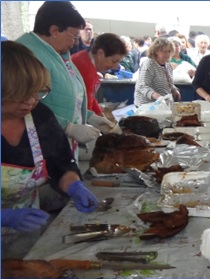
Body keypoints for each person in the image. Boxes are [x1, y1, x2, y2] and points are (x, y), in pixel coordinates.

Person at [1, 41, 99, 259]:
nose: (30, 102)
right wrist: (4, 217)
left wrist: (74, 185)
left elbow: (60, 163)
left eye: (36, 93)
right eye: (20, 94)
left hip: (26, 233)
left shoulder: (39, 116)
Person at [15, 1, 117, 161]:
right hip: (39, 144)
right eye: (74, 36)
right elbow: (24, 106)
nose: (76, 43)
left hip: (61, 142)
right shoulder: (26, 54)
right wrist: (67, 127)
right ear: (54, 30)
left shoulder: (58, 52)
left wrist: (89, 116)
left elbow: (66, 95)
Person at [71, 33, 128, 116]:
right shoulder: (84, 67)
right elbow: (86, 105)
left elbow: (90, 97)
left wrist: (100, 115)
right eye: (113, 61)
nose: (115, 67)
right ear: (100, 54)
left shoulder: (85, 58)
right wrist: (94, 119)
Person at [134, 37, 182, 107]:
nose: (167, 54)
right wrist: (157, 96)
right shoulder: (149, 64)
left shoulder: (167, 64)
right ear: (156, 51)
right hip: (146, 104)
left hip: (162, 103)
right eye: (164, 51)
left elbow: (168, 82)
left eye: (169, 51)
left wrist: (174, 89)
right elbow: (142, 86)